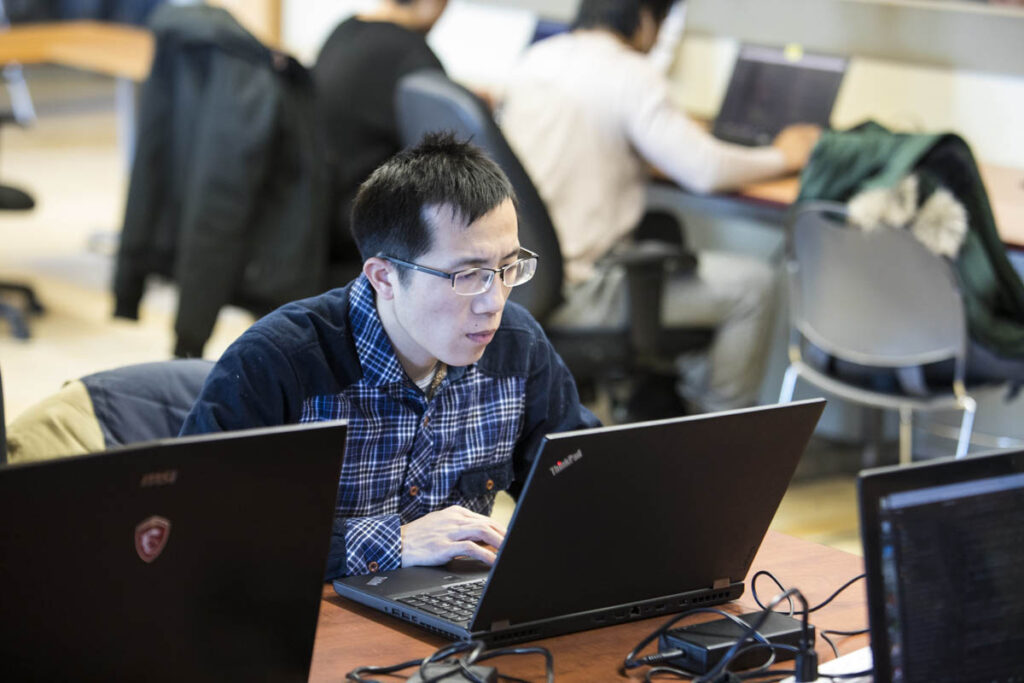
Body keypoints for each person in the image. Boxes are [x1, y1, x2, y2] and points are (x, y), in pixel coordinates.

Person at [180, 133, 598, 579]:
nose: (493, 301)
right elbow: (198, 529)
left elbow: (581, 482)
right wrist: (394, 542)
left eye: (508, 268)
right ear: (384, 277)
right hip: (311, 624)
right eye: (468, 275)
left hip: (450, 618)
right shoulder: (280, 361)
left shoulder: (516, 347)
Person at [499, 0, 820, 412]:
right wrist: (785, 156)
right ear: (647, 17)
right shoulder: (630, 74)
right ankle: (719, 440)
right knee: (753, 286)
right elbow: (704, 170)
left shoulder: (536, 59)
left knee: (663, 225)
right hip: (582, 291)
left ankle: (667, 411)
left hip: (520, 282)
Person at [313, 0, 449, 265]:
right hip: (363, 242)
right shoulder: (413, 55)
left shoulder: (343, 32)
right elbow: (447, 165)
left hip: (318, 228)